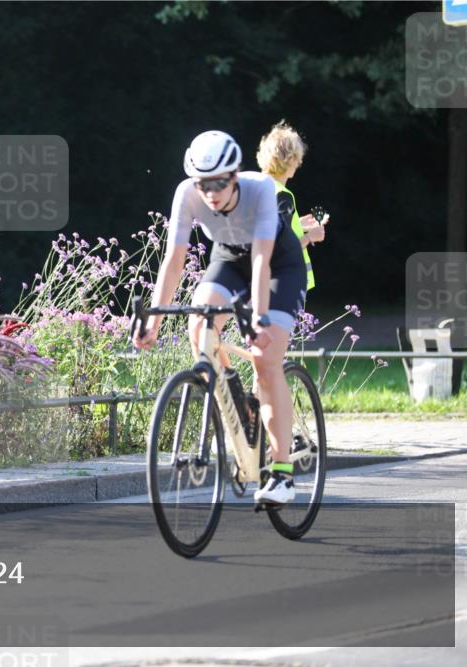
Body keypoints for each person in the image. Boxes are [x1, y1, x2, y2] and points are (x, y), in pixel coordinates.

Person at [132, 130, 307, 504]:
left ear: (235, 174)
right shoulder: (187, 194)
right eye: (203, 184)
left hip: (278, 266)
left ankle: (281, 473)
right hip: (228, 260)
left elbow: (262, 260)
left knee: (265, 358)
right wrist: (154, 321)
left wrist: (259, 319)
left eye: (220, 183)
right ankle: (239, 400)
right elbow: (173, 260)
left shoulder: (260, 190)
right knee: (199, 326)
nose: (211, 192)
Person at [256, 121, 327, 295]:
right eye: (298, 158)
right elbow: (281, 248)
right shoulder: (282, 195)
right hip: (285, 282)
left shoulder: (257, 187)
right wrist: (311, 237)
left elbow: (270, 231)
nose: (300, 163)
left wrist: (298, 224)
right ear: (290, 160)